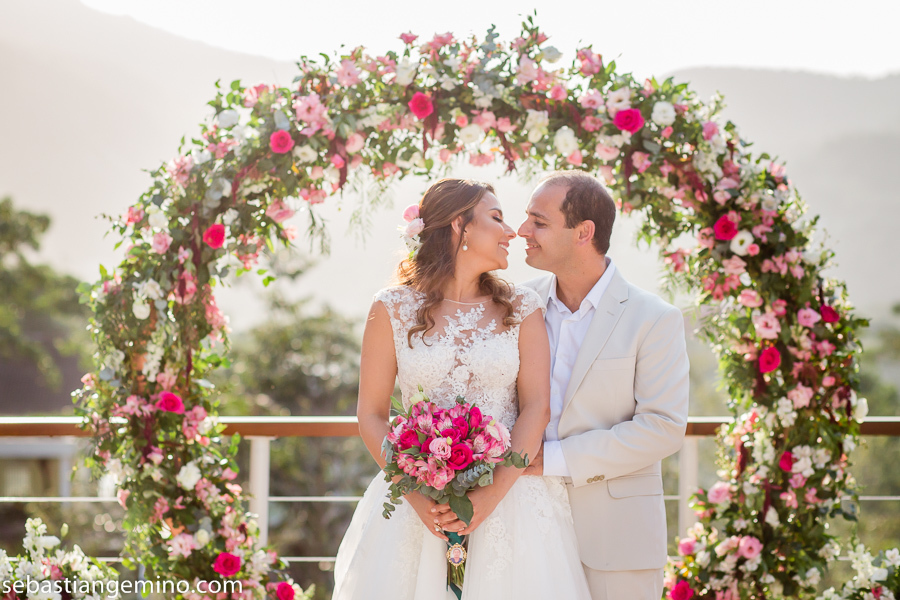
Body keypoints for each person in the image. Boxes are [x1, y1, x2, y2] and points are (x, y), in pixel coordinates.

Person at [332, 178, 591, 600]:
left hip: (512, 500)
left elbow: (536, 408)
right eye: (497, 218)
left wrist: (489, 497)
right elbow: (372, 415)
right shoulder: (392, 307)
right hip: (417, 502)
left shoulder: (523, 307)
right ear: (460, 225)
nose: (512, 232)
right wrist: (419, 499)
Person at [515, 170, 690, 600]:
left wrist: (554, 459)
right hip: (522, 526)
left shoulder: (654, 318)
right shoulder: (516, 304)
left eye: (539, 221)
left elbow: (663, 427)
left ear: (583, 233)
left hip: (617, 540)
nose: (522, 231)